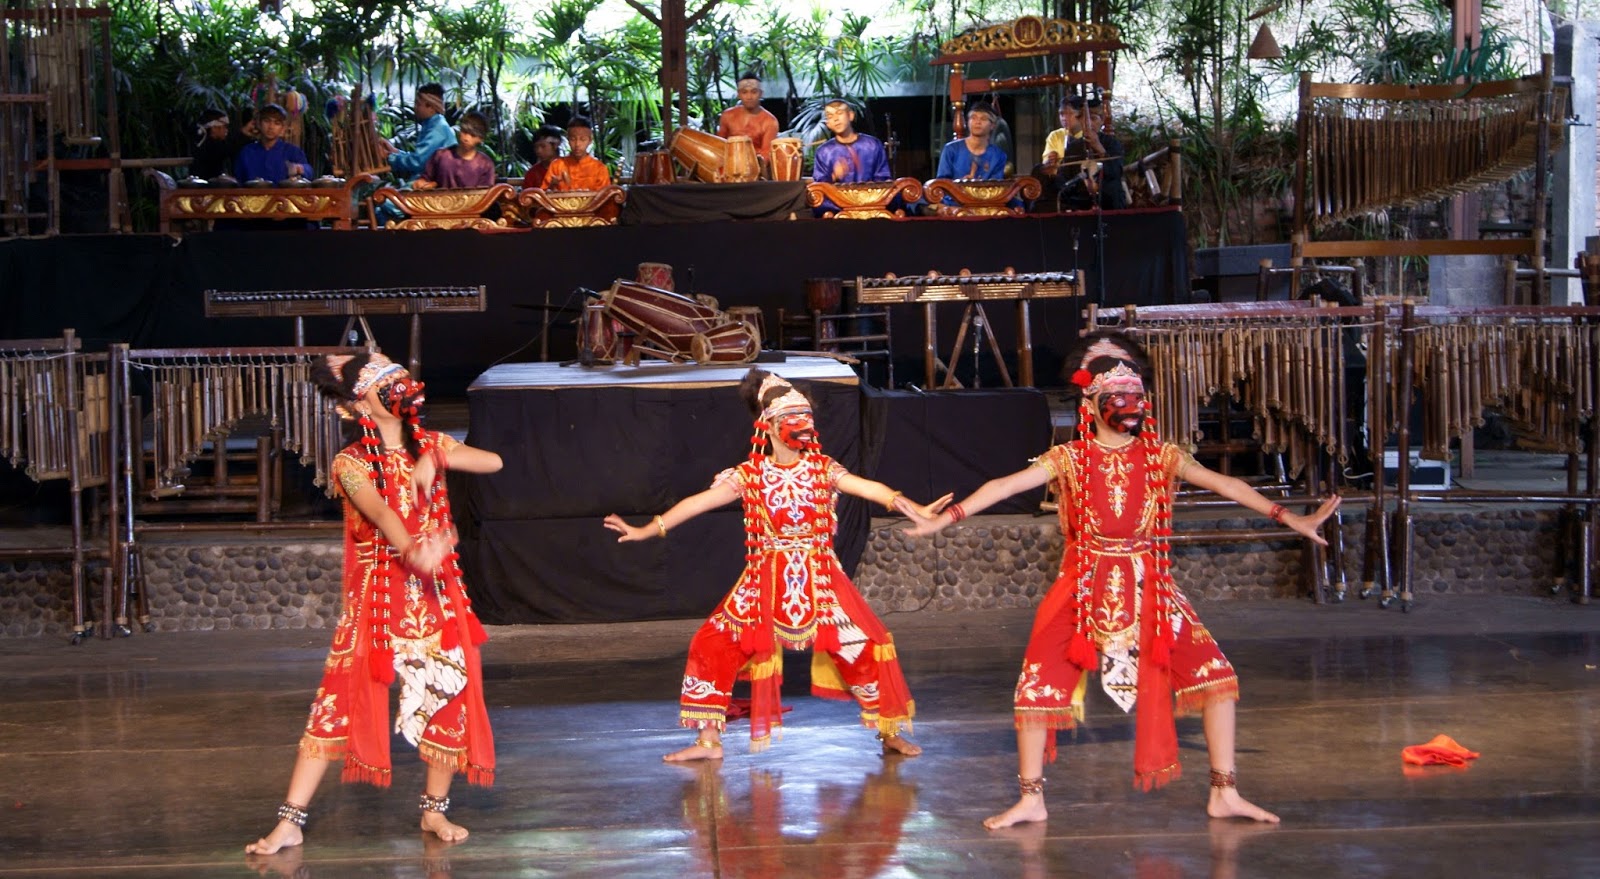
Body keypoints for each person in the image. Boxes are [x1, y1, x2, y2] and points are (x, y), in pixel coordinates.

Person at [895, 332, 1340, 829]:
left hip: (1150, 586)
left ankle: (1225, 791)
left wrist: (1289, 517)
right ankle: (1031, 798)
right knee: (1037, 687)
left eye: (1135, 398)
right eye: (1117, 399)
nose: (1128, 406)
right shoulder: (1068, 459)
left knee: (1217, 678)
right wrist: (945, 517)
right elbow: (1004, 486)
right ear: (1091, 404)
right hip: (1082, 585)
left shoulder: (1162, 456)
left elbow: (1226, 483)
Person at [604, 369, 948, 761]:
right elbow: (696, 503)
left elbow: (869, 488)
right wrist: (648, 530)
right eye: (791, 420)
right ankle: (708, 742)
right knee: (712, 642)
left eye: (806, 418)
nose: (802, 426)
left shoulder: (823, 469)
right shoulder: (747, 476)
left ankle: (890, 734)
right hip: (764, 580)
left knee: (864, 646)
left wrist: (912, 507)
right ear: (767, 426)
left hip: (820, 577)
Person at [245, 351, 500, 856]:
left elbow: (493, 461)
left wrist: (437, 456)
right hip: (380, 599)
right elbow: (383, 513)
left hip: (436, 594)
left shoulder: (430, 442)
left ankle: (434, 809)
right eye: (387, 382)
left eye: (400, 378)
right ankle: (290, 821)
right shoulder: (351, 463)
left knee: (449, 691)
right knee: (337, 699)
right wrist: (414, 550)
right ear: (359, 404)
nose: (400, 387)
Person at [1037, 94, 1125, 211]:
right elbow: (1065, 178)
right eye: (1085, 120)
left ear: (1102, 120)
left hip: (1107, 199)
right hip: (1080, 200)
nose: (1089, 124)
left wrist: (1098, 146)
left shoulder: (1111, 143)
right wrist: (1050, 172)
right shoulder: (1074, 146)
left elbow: (1116, 172)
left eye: (1093, 119)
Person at [810, 100, 892, 216]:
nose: (835, 119)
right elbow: (820, 187)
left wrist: (867, 195)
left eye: (839, 113)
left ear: (851, 116)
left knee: (896, 196)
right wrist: (834, 176)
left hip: (872, 199)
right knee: (817, 202)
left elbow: (883, 178)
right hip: (838, 204)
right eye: (830, 116)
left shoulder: (873, 144)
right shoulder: (824, 151)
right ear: (828, 124)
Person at [931, 102, 1012, 215]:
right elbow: (942, 182)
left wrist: (976, 188)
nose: (977, 122)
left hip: (985, 203)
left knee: (1016, 205)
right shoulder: (951, 149)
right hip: (954, 202)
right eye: (973, 118)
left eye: (983, 119)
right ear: (968, 121)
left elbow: (996, 187)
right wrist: (962, 186)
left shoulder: (999, 155)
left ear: (992, 125)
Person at [384, 83, 457, 187]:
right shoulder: (433, 124)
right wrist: (394, 151)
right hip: (427, 182)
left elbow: (418, 163)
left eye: (418, 104)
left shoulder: (437, 129)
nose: (415, 108)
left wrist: (389, 157)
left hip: (433, 186)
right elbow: (419, 157)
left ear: (431, 107)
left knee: (385, 201)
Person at [414, 111, 496, 190]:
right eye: (464, 132)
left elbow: (486, 195)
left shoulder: (485, 164)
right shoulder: (441, 155)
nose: (466, 138)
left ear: (480, 139)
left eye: (472, 135)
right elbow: (425, 179)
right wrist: (422, 184)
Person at [234, 103, 311, 183]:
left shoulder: (292, 151)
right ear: (259, 124)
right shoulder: (247, 152)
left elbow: (309, 172)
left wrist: (298, 168)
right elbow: (238, 182)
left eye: (277, 123)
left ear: (282, 128)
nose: (271, 127)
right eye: (267, 121)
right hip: (251, 195)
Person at [716, 72, 780, 161]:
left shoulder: (770, 121)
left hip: (756, 167)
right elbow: (719, 146)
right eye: (744, 92)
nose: (749, 97)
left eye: (754, 92)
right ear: (739, 94)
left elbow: (766, 155)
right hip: (729, 165)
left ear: (761, 94)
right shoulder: (727, 116)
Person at [539, 116, 611, 191]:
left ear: (590, 140)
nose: (577, 144)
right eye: (573, 139)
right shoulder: (557, 165)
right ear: (568, 139)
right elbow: (543, 195)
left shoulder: (599, 168)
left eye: (582, 139)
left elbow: (605, 198)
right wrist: (552, 185)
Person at [190, 107, 246, 180]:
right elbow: (230, 148)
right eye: (225, 126)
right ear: (214, 128)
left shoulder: (204, 144)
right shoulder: (211, 146)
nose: (226, 130)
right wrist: (243, 134)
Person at [519, 124, 565, 189]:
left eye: (543, 146)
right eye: (536, 147)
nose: (538, 151)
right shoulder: (532, 173)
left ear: (555, 145)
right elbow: (526, 196)